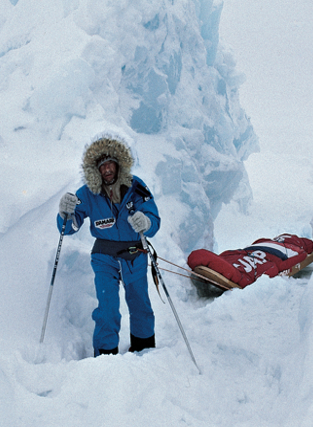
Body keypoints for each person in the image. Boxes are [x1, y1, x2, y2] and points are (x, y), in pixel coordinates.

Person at [57, 135, 161, 356]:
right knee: (108, 309)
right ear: (96, 169)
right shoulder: (86, 193)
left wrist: (147, 222)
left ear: (118, 163)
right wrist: (65, 214)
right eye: (101, 166)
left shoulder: (136, 186)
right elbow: (68, 227)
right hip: (104, 255)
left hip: (135, 253)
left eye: (110, 164)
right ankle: (105, 357)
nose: (106, 170)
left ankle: (144, 351)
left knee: (140, 304)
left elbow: (154, 219)